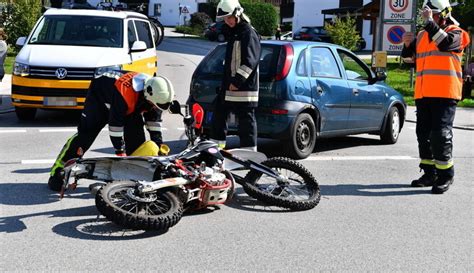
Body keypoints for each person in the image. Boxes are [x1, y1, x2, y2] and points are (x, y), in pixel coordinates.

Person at [48, 71, 174, 191]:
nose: (154, 108)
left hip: (131, 106)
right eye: (152, 105)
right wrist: (120, 152)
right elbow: (115, 126)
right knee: (85, 136)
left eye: (155, 106)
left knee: (137, 145)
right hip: (100, 99)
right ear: (147, 94)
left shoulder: (157, 96)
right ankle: (59, 171)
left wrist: (158, 145)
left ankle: (133, 179)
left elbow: (154, 123)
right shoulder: (125, 92)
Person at [401, 0, 470, 194]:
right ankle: (429, 173)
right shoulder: (423, 35)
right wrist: (407, 46)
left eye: (434, 14)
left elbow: (445, 43)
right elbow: (410, 61)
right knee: (423, 135)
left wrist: (430, 23)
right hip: (423, 93)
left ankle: (446, 175)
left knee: (440, 136)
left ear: (445, 14)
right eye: (428, 14)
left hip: (445, 93)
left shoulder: (458, 33)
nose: (429, 17)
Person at [210, 0, 261, 151]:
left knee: (246, 121)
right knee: (218, 115)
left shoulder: (248, 33)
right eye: (225, 18)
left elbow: (250, 62)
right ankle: (216, 150)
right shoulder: (235, 32)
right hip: (230, 86)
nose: (227, 21)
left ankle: (249, 154)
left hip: (244, 88)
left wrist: (237, 81)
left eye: (229, 18)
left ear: (238, 14)